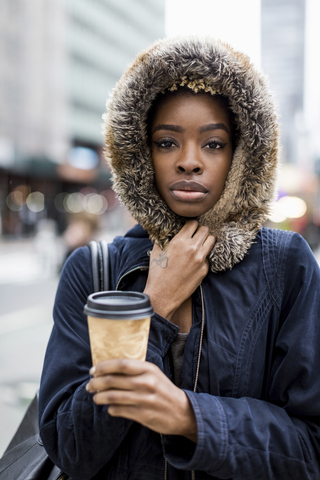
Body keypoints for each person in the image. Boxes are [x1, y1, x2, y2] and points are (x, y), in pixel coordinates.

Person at [38, 37, 320, 479]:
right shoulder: (94, 270)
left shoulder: (285, 266)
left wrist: (188, 417)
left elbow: (311, 446)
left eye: (213, 144)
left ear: (242, 155)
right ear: (140, 154)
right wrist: (153, 308)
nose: (189, 161)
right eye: (167, 142)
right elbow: (70, 450)